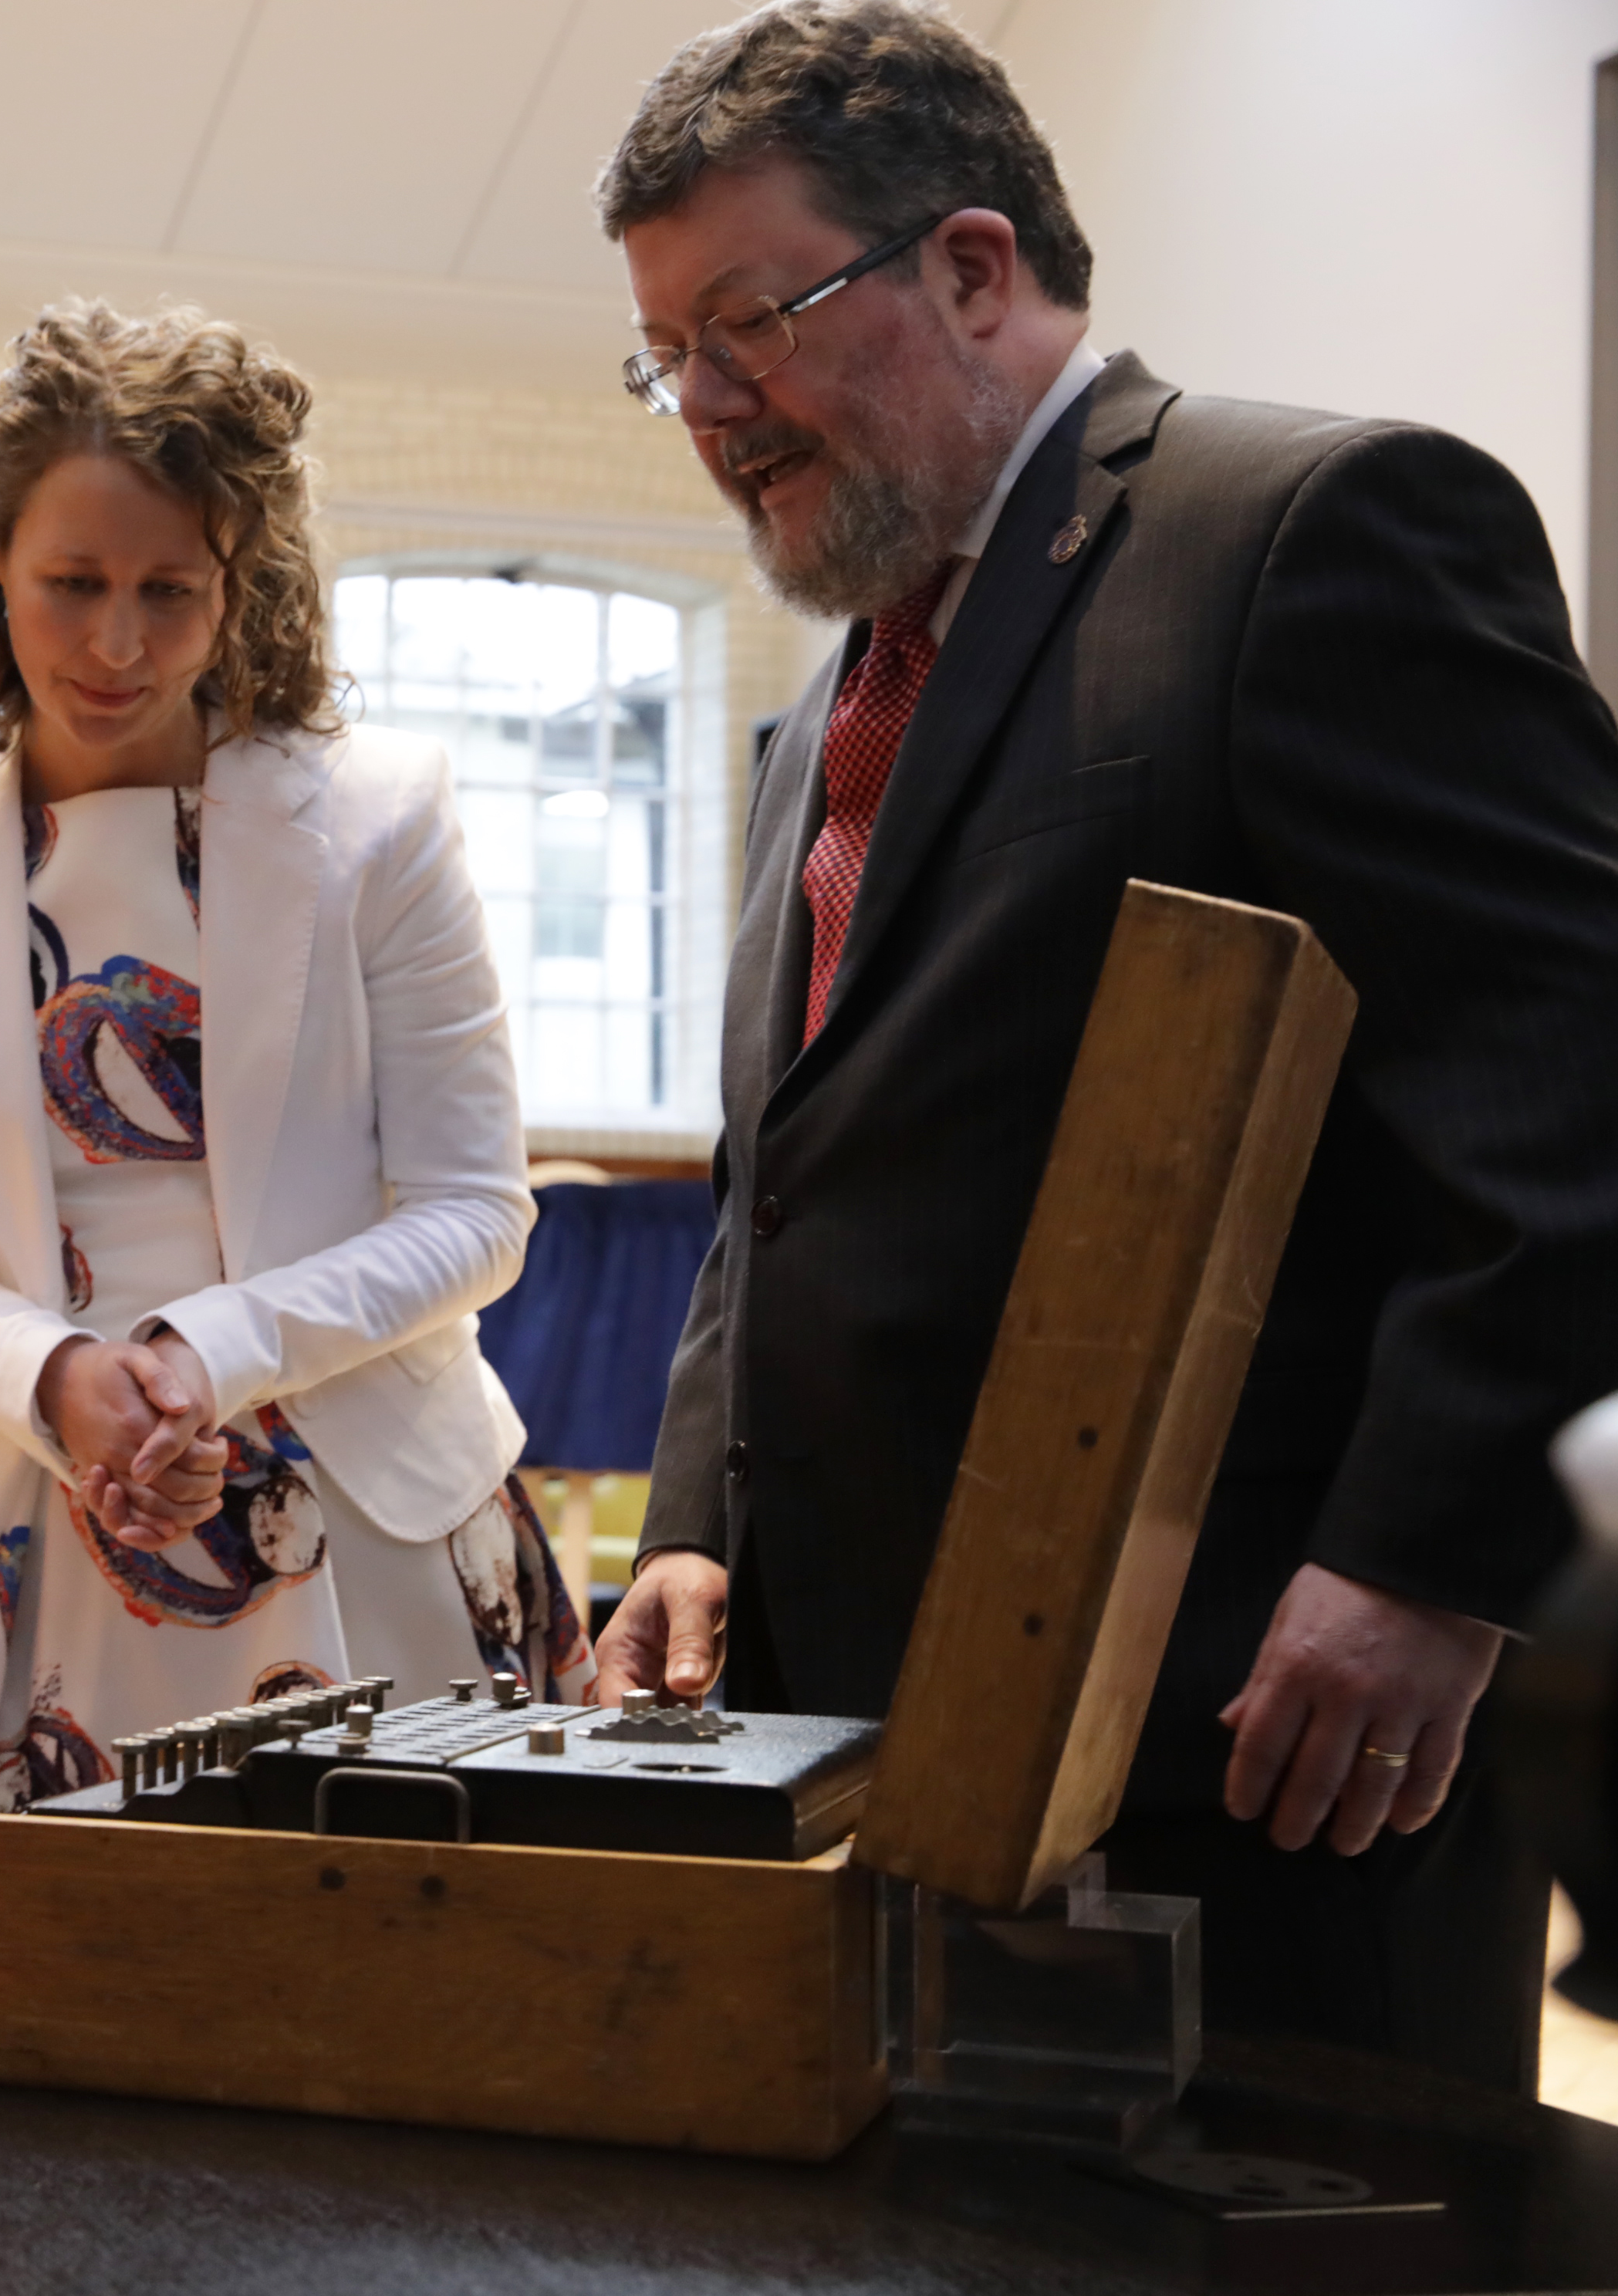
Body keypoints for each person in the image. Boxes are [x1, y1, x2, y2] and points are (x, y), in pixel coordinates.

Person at [590, 0, 1618, 2089]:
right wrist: (702, 1515)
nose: (707, 403)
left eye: (752, 320)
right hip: (874, 1743)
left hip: (1256, 1741)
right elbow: (774, 1179)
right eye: (667, 355)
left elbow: (1571, 1085)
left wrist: (1427, 1560)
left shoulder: (1313, 531)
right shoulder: (823, 720)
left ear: (972, 268)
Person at [0, 302, 591, 1932]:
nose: (117, 643)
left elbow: (476, 1211)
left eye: (171, 590)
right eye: (72, 584)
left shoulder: (380, 818)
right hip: (30, 1520)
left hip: (365, 1509)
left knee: (407, 2017)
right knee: (6, 2054)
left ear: (244, 590)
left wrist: (199, 1356)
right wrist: (60, 1377)